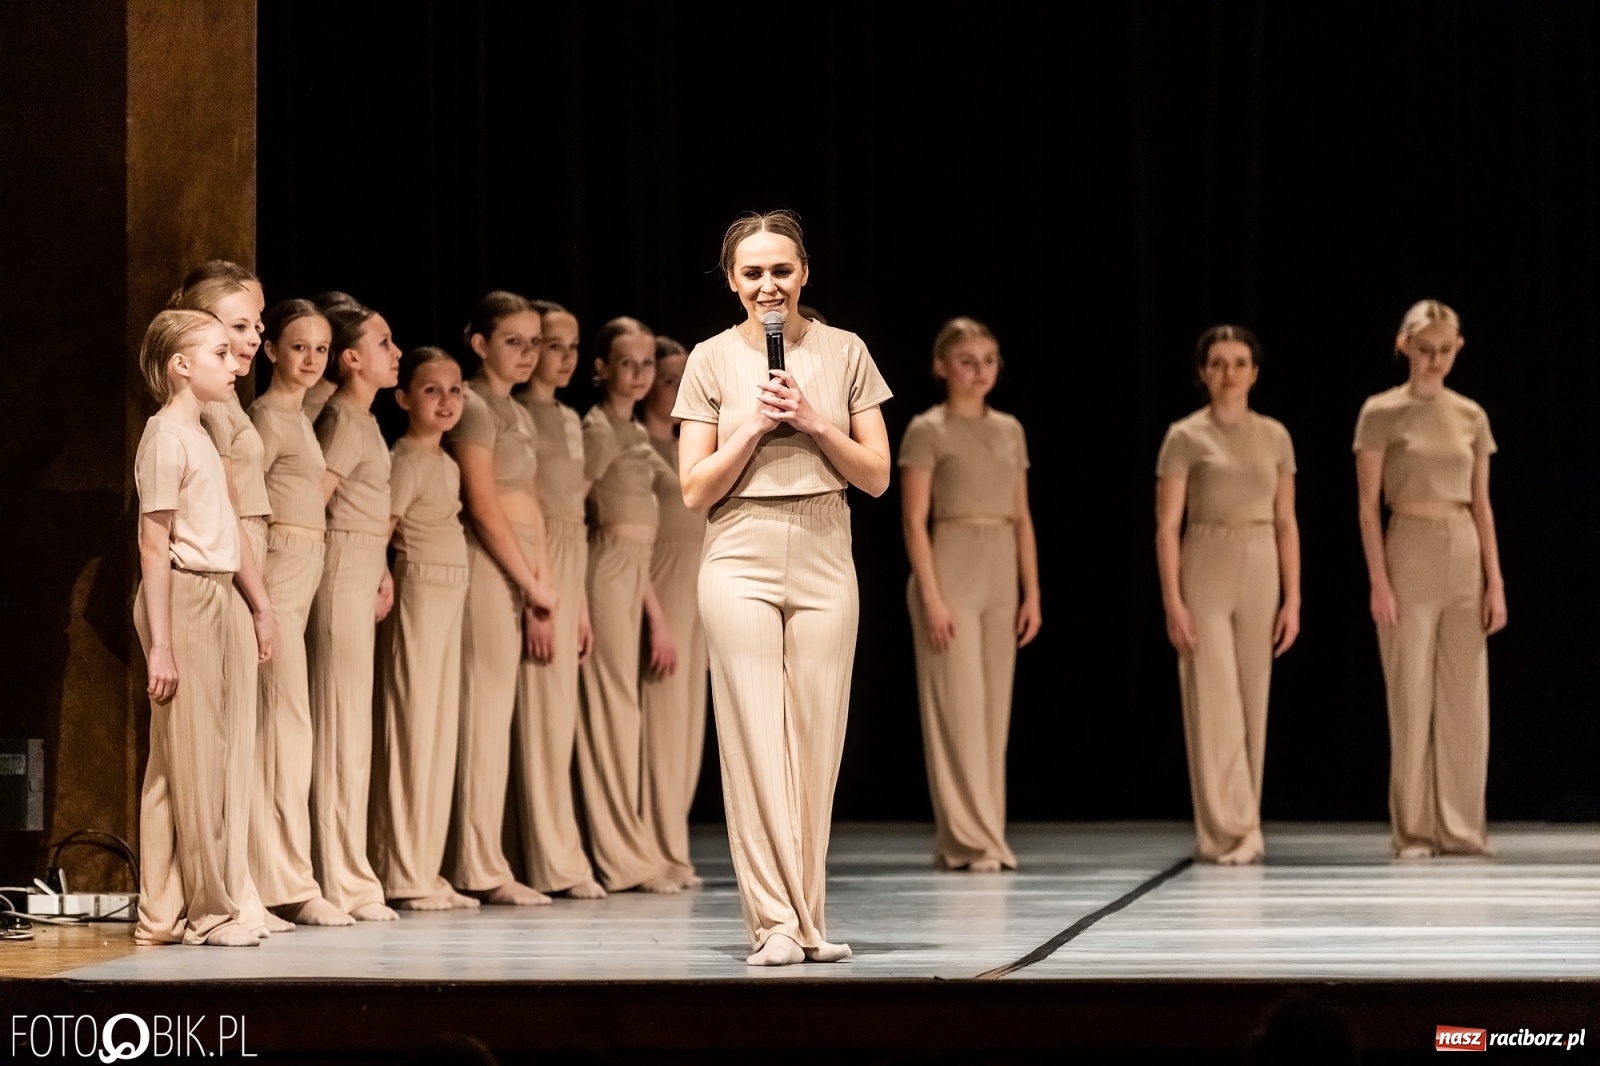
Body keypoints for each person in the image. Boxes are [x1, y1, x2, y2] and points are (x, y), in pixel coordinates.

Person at [675, 210, 892, 965]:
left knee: (814, 741)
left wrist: (814, 421)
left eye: (781, 269)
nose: (768, 285)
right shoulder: (707, 359)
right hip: (739, 550)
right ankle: (772, 923)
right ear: (733, 281)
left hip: (827, 546)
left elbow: (875, 476)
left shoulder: (845, 351)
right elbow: (694, 489)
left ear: (805, 274)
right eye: (752, 272)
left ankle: (807, 917)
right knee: (755, 737)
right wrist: (752, 430)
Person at [131, 309, 275, 945]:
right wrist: (161, 643)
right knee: (192, 760)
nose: (232, 363)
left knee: (186, 762)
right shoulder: (165, 436)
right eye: (219, 352)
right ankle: (208, 911)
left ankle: (162, 912)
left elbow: (230, 525)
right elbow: (152, 541)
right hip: (183, 598)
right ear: (181, 366)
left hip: (217, 594)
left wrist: (260, 604)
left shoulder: (202, 435)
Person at [1354, 299, 1505, 859]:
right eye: (1425, 350)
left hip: (1463, 543)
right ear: (1405, 347)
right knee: (1411, 692)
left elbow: (1485, 504)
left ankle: (1463, 828)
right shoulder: (1380, 412)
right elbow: (1368, 507)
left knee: (1466, 697)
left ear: (1457, 349)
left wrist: (1496, 582)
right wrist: (1379, 580)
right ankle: (1413, 830)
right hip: (1409, 543)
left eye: (1445, 350)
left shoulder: (1471, 414)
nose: (1435, 360)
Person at [900, 317, 1040, 874]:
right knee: (957, 710)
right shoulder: (926, 430)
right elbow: (914, 521)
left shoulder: (1010, 429)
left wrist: (1032, 592)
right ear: (942, 367)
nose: (980, 370)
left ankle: (986, 835)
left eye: (988, 359)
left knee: (991, 714)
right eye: (967, 360)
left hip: (1000, 564)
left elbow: (1024, 515)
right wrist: (933, 597)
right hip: (951, 562)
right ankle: (968, 839)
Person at [1156, 325, 1300, 865]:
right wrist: (1173, 599)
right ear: (1202, 372)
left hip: (1261, 559)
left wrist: (1294, 598)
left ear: (1255, 372)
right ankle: (1227, 832)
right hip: (1207, 559)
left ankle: (1244, 824)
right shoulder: (1185, 436)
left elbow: (1288, 521)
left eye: (1239, 362)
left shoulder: (1276, 436)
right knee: (1213, 699)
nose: (1229, 372)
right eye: (1217, 363)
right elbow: (1167, 526)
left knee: (1252, 700)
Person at [171, 267, 287, 937]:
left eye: (256, 324)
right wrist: (260, 599)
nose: (253, 337)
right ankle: (203, 901)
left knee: (237, 744)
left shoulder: (229, 402)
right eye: (239, 326)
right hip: (220, 575)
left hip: (244, 567)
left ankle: (235, 888)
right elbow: (223, 512)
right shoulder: (202, 409)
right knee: (203, 750)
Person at [447, 291, 556, 906]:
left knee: (499, 713)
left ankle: (488, 856)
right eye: (513, 341)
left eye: (533, 342)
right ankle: (477, 864)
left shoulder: (511, 411)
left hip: (517, 569)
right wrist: (529, 580)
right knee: (482, 714)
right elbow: (484, 507)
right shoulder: (472, 406)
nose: (528, 353)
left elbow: (528, 503)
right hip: (485, 565)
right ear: (481, 343)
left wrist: (542, 581)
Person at [249, 299, 353, 926]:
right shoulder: (266, 417)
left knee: (292, 733)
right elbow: (246, 507)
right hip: (277, 584)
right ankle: (283, 884)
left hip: (299, 580)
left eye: (320, 348)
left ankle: (285, 879)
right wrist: (258, 599)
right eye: (298, 347)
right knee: (283, 736)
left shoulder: (298, 417)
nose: (311, 360)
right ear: (270, 351)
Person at [371, 347, 479, 910]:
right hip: (416, 592)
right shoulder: (407, 458)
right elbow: (382, 529)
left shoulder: (446, 462)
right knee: (411, 730)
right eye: (432, 390)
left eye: (455, 389)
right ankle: (402, 873)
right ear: (404, 398)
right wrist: (382, 577)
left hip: (448, 596)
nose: (446, 401)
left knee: (437, 732)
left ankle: (426, 869)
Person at [576, 318, 682, 895]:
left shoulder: (635, 433)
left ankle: (636, 847)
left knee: (627, 714)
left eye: (648, 364)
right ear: (602, 368)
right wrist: (574, 597)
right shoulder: (598, 430)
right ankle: (621, 857)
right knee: (613, 711)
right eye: (628, 364)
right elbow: (572, 506)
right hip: (606, 567)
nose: (640, 375)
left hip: (631, 568)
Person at [307, 301, 402, 921]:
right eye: (385, 342)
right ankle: (340, 878)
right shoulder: (341, 415)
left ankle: (353, 873)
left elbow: (371, 506)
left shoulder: (364, 419)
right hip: (338, 566)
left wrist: (383, 569)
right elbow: (316, 501)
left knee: (352, 728)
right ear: (352, 359)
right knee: (339, 724)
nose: (396, 353)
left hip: (361, 562)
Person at [515, 301, 606, 899]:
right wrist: (538, 599)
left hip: (572, 563)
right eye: (553, 345)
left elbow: (577, 511)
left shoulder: (572, 420)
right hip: (538, 562)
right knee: (540, 719)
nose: (565, 358)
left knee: (559, 720)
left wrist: (581, 609)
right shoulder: (519, 416)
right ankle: (552, 860)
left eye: (573, 347)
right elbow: (524, 510)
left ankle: (561, 854)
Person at [640, 335, 710, 889]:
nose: (677, 388)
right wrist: (653, 614)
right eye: (668, 379)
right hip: (660, 585)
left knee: (687, 729)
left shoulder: (695, 442)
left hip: (698, 589)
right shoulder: (637, 443)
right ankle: (650, 852)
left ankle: (674, 848)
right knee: (658, 728)